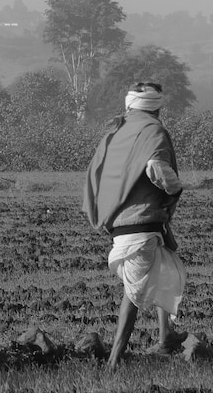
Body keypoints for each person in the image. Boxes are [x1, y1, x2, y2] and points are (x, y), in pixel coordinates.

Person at [81, 77, 197, 369]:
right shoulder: (152, 131)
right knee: (133, 294)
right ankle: (115, 359)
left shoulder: (117, 131)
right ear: (156, 108)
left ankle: (165, 338)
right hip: (141, 225)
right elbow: (157, 168)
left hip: (119, 221)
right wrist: (176, 188)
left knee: (161, 273)